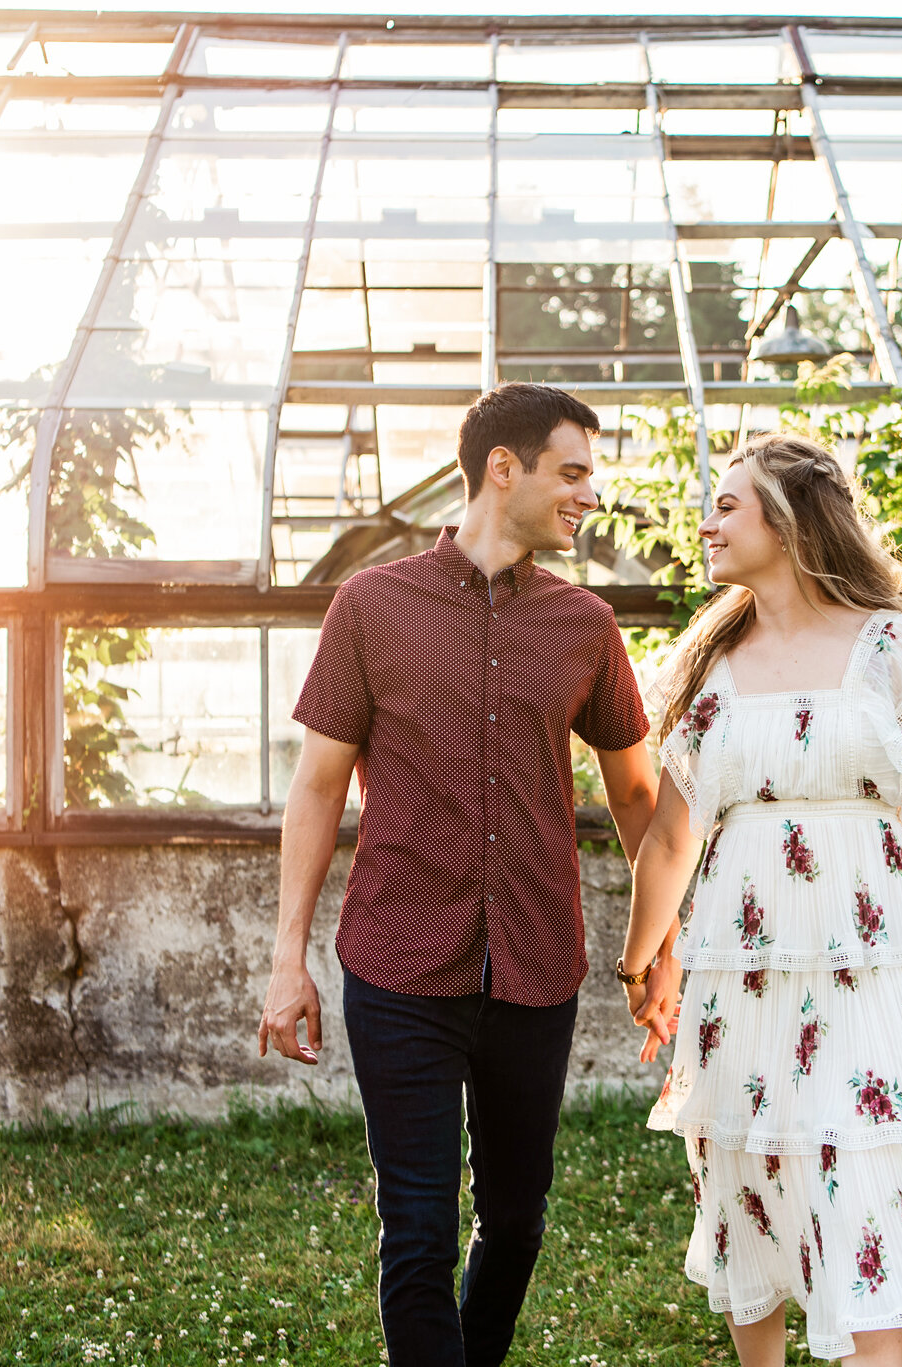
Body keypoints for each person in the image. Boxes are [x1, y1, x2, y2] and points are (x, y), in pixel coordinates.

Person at [257, 382, 659, 1367]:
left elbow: (640, 797)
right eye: (572, 472)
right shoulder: (370, 607)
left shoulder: (584, 624)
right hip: (399, 966)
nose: (588, 495)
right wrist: (286, 958)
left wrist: (664, 942)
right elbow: (314, 788)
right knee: (420, 1233)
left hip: (535, 968)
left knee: (516, 1220)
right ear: (501, 469)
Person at [616, 432, 902, 1366]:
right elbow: (673, 835)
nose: (707, 522)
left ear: (790, 518)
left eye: (727, 504)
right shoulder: (703, 658)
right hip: (743, 964)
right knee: (747, 1171)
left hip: (868, 957)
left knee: (869, 1171)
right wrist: (641, 960)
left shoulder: (895, 647)